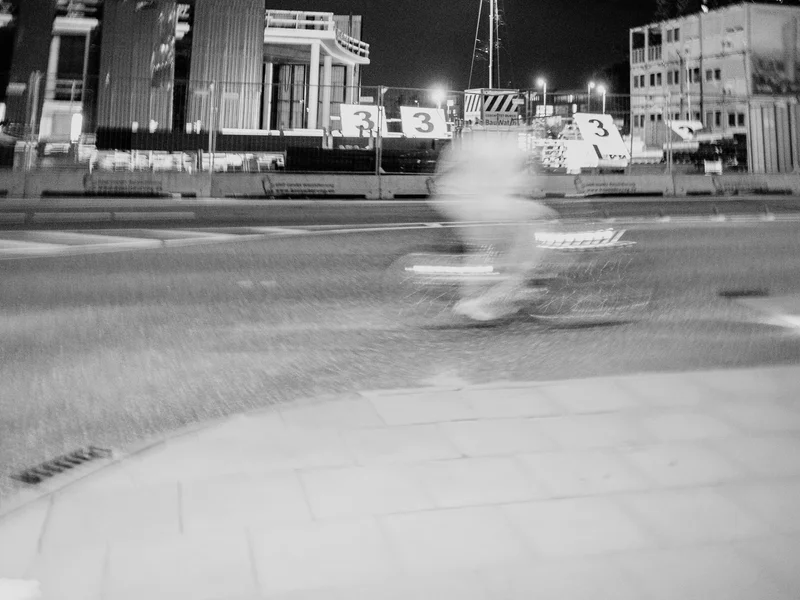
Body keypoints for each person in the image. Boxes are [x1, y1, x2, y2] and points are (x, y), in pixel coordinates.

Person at [429, 128, 559, 321]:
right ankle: (498, 296)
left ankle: (475, 295)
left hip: (454, 201)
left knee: (484, 247)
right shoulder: (510, 151)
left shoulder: (475, 142)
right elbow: (518, 185)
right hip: (479, 204)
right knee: (539, 227)